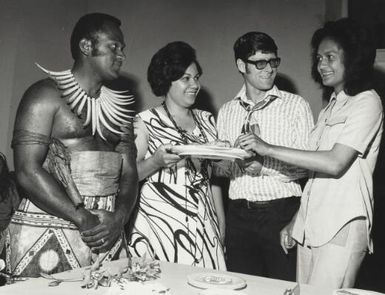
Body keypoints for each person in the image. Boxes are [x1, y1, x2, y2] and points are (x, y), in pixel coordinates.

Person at [238, 18, 383, 288]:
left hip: (342, 224)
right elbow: (315, 177)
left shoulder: (367, 102)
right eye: (318, 58)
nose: (321, 65)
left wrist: (266, 148)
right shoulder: (330, 107)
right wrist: (296, 221)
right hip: (312, 225)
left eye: (330, 57)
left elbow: (335, 163)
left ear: (353, 58)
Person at [6, 13, 138, 278]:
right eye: (114, 46)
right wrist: (82, 218)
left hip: (107, 232)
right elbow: (26, 170)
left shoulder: (120, 110)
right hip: (49, 225)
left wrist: (120, 217)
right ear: (86, 46)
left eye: (123, 48)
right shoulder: (44, 95)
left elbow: (129, 173)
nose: (122, 55)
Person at [216, 32, 314, 280]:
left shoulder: (295, 106)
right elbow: (220, 171)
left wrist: (264, 166)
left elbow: (307, 168)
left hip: (281, 215)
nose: (269, 69)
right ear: (241, 65)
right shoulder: (227, 111)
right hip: (238, 215)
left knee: (285, 288)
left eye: (273, 61)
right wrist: (223, 162)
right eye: (260, 63)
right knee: (242, 286)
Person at [127, 41, 226, 270]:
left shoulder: (207, 120)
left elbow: (214, 180)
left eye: (197, 77)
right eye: (186, 78)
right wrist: (155, 162)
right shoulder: (145, 122)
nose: (195, 85)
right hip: (159, 228)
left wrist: (220, 224)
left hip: (204, 227)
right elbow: (128, 176)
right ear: (166, 80)